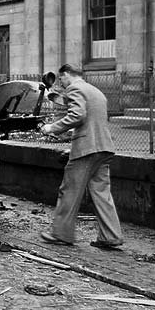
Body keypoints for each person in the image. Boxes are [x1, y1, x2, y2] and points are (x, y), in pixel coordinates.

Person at [39, 64, 123, 249]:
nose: (61, 83)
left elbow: (78, 115)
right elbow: (92, 119)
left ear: (67, 75)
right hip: (104, 147)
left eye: (61, 79)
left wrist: (51, 127)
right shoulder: (96, 91)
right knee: (101, 193)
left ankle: (61, 234)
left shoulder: (75, 88)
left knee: (69, 190)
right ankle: (111, 235)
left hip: (86, 149)